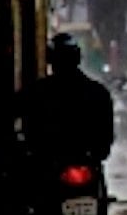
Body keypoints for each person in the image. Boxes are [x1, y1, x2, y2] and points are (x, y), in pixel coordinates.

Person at [18, 33, 115, 166]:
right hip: (75, 162)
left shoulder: (36, 91)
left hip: (48, 163)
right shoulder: (97, 91)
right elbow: (106, 134)